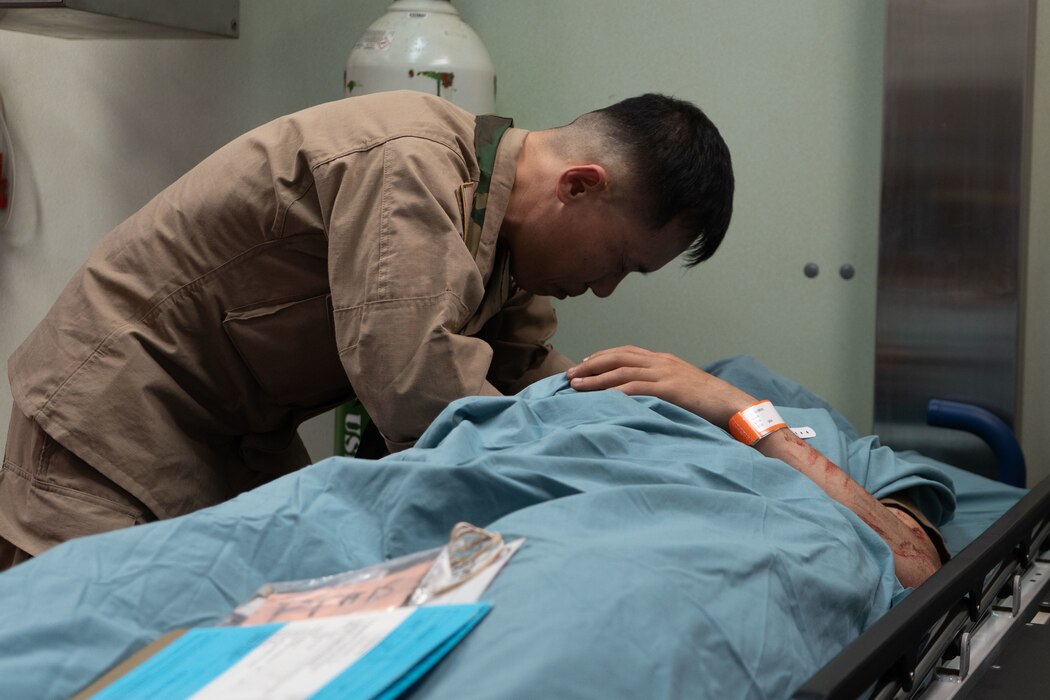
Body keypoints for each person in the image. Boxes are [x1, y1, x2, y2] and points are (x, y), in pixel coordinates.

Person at [0, 90, 735, 569]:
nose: (604, 289)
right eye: (619, 263)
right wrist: (591, 491)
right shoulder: (411, 163)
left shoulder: (501, 236)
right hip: (109, 425)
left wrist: (651, 431)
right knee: (102, 663)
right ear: (578, 187)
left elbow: (533, 380)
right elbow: (420, 389)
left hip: (224, 439)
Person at [566, 345, 949, 588]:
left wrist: (744, 410)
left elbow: (918, 569)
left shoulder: (836, 445)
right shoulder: (584, 415)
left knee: (742, 370)